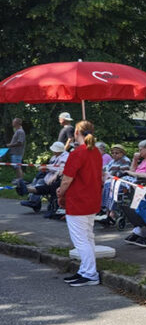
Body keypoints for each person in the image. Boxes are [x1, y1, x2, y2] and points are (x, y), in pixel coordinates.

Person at [56, 121, 103, 286]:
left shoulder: (77, 153)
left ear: (77, 132)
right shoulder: (96, 151)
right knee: (88, 237)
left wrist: (60, 192)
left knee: (81, 240)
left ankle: (90, 273)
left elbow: (67, 178)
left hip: (78, 200)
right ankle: (86, 270)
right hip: (92, 199)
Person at [18, 141, 68, 213]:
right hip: (48, 176)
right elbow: (51, 166)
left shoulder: (65, 157)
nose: (53, 151)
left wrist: (47, 168)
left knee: (40, 182)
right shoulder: (54, 157)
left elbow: (61, 169)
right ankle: (28, 194)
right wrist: (44, 168)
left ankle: (32, 199)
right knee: (37, 178)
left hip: (55, 179)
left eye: (54, 150)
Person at [98, 144, 131, 219]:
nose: (114, 155)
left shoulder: (125, 160)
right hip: (110, 180)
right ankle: (104, 210)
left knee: (109, 186)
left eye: (117, 153)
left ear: (122, 153)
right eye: (112, 153)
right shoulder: (112, 161)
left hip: (121, 181)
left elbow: (123, 173)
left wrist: (108, 175)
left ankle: (110, 212)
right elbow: (105, 169)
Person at [6, 117, 26, 181]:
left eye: (13, 122)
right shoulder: (17, 131)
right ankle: (19, 180)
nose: (12, 123)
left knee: (18, 167)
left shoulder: (20, 131)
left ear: (16, 123)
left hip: (17, 152)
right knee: (16, 167)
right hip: (14, 152)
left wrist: (10, 145)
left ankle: (20, 181)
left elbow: (20, 142)